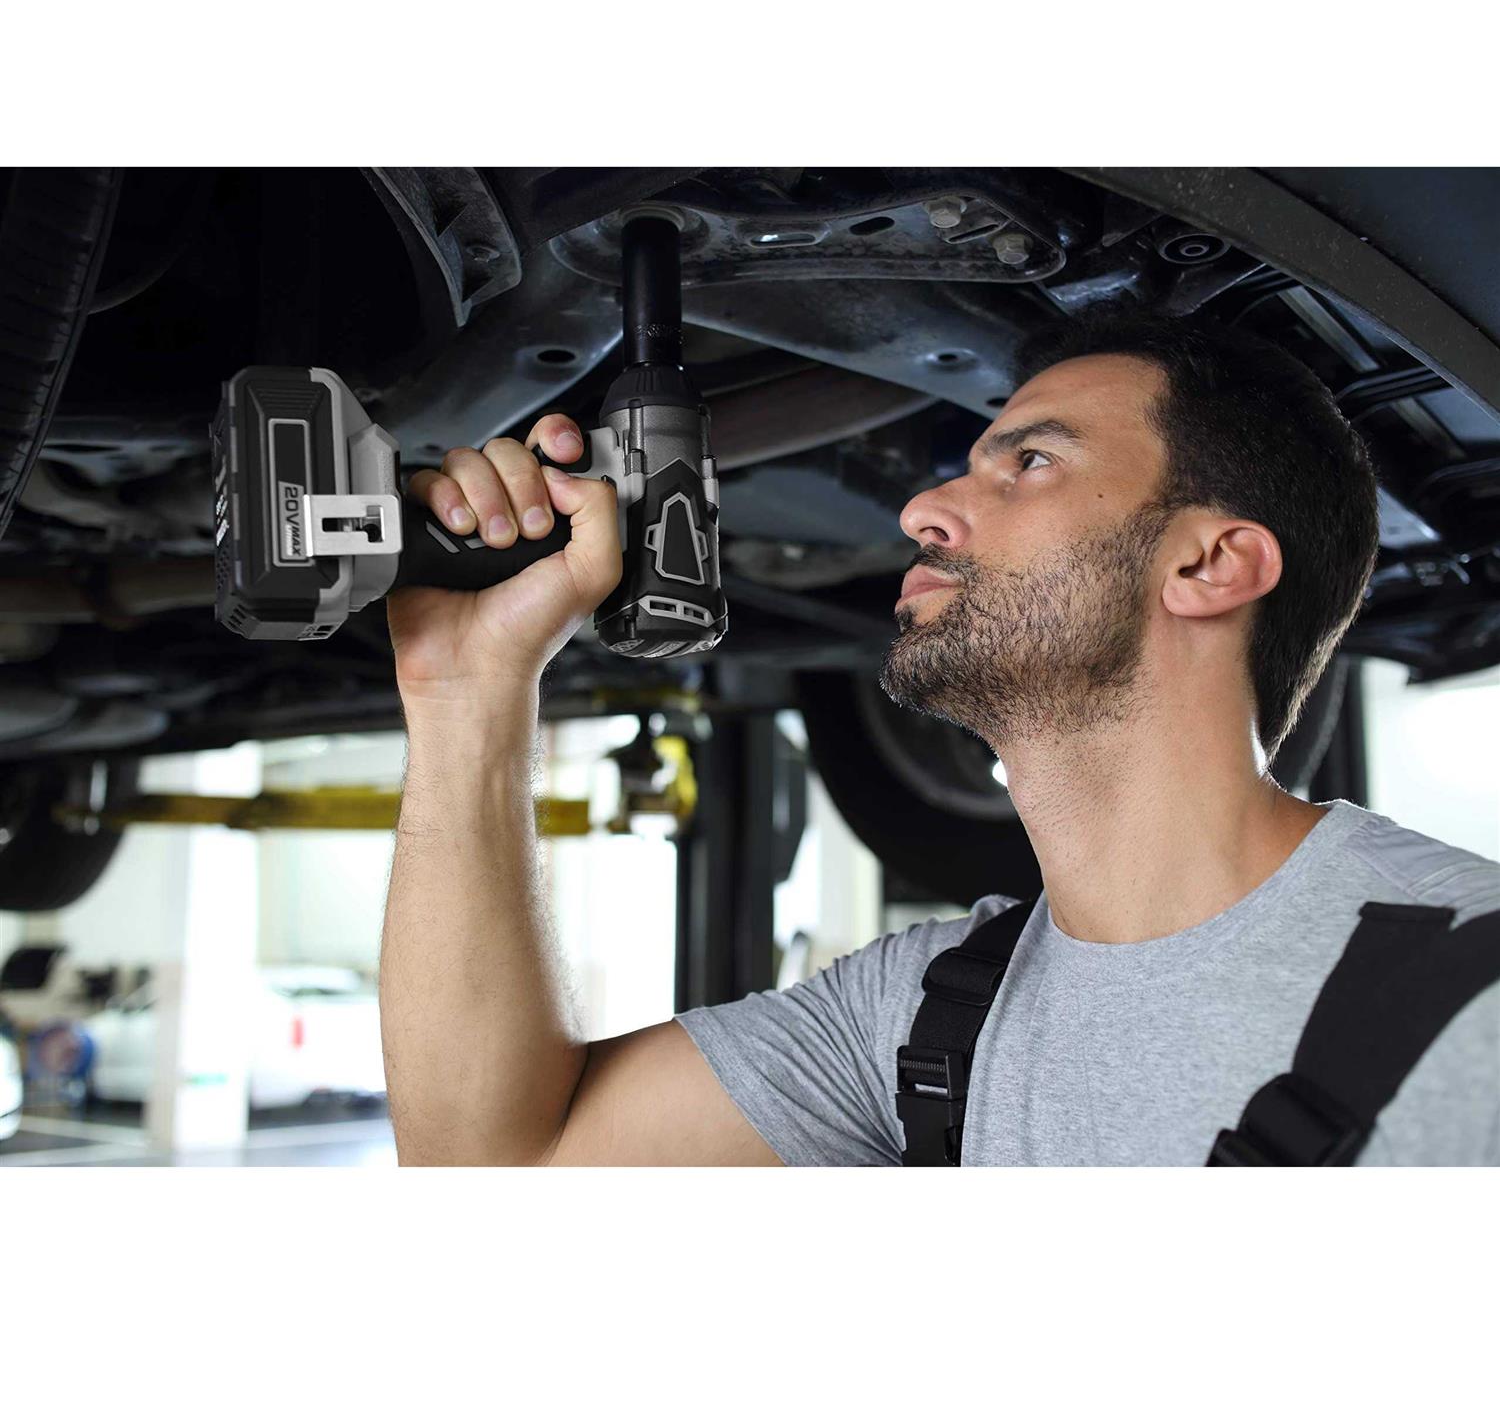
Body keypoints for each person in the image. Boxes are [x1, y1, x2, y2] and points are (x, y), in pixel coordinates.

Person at [378, 309, 1500, 1166]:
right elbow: (496, 1166)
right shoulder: (929, 1012)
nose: (922, 509)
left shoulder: (1472, 1009)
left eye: (1030, 462)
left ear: (1208, 565)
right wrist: (468, 685)